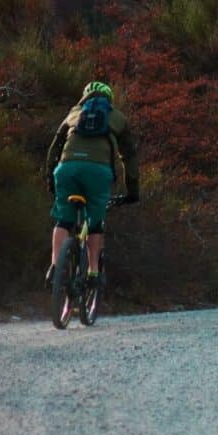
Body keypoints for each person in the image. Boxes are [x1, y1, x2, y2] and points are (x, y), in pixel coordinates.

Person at [44, 81, 139, 287]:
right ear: (110, 99)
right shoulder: (118, 117)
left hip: (67, 170)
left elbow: (55, 148)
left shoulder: (74, 113)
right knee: (95, 224)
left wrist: (51, 178)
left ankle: (55, 267)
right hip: (98, 172)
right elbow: (129, 156)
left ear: (84, 96)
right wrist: (132, 190)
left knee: (63, 221)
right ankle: (93, 272)